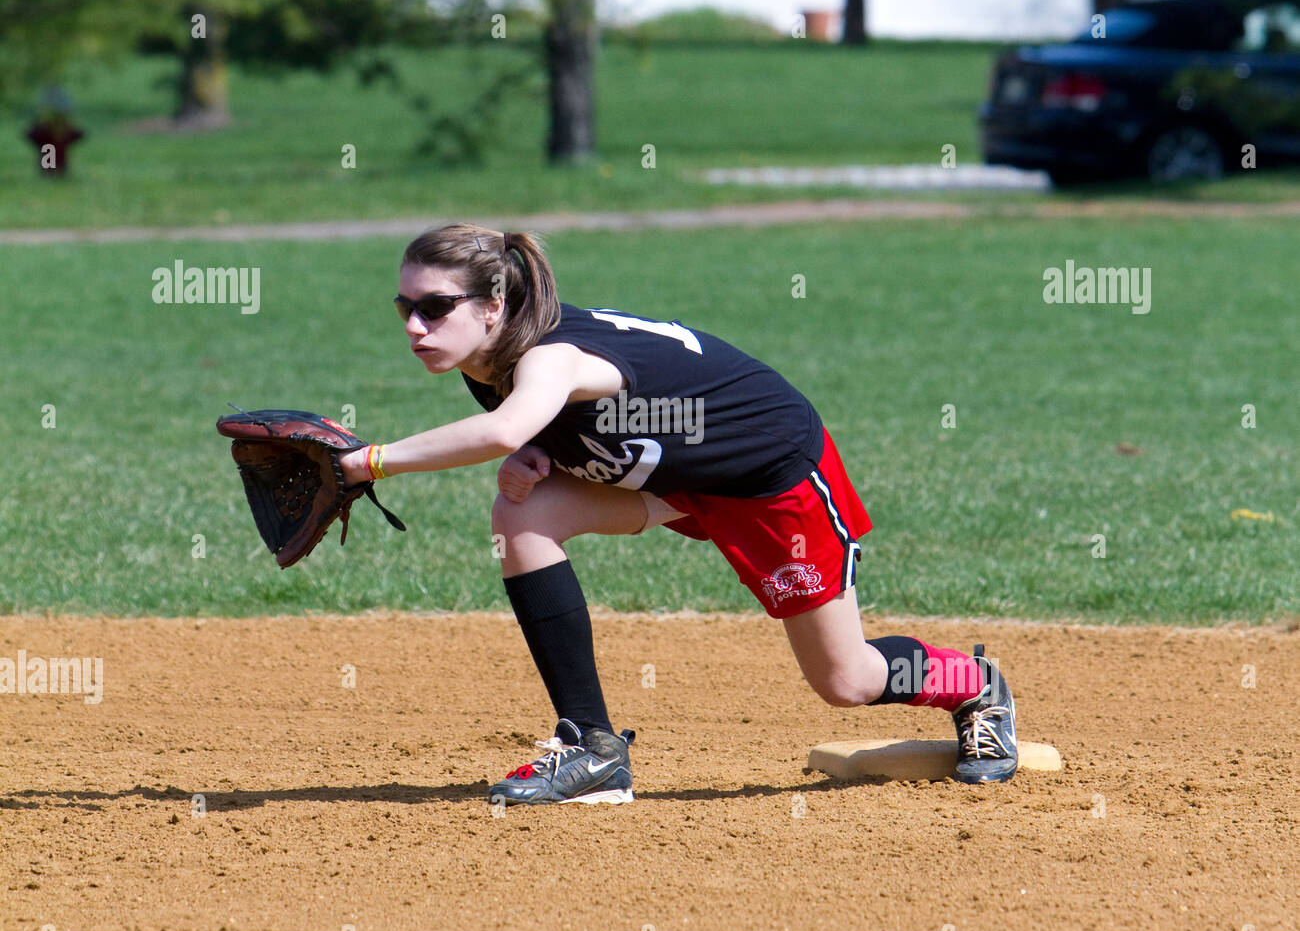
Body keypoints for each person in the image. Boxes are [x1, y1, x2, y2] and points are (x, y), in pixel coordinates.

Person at [339, 223, 1018, 805]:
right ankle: (594, 751)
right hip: (673, 474)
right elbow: (533, 430)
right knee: (522, 515)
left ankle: (974, 687)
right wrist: (537, 455)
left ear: (494, 304)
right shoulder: (488, 357)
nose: (413, 325)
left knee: (847, 679)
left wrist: (369, 460)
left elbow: (503, 428)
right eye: (405, 305)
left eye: (434, 306)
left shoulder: (551, 356)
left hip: (767, 474)